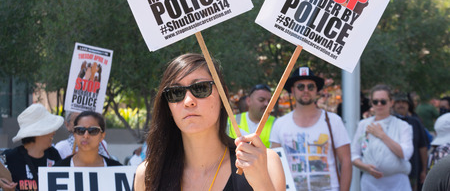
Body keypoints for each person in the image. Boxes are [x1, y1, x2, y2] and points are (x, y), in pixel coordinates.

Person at [134, 53, 285, 191]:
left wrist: (262, 183)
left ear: (222, 96)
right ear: (168, 106)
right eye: (176, 92)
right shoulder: (148, 175)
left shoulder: (265, 163)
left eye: (200, 88)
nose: (188, 101)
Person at [270, 66, 352, 191]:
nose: (306, 90)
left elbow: (346, 161)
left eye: (311, 86)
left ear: (316, 90)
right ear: (292, 90)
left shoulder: (333, 121)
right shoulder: (280, 124)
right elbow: (274, 164)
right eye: (301, 86)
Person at [352, 85, 413, 191]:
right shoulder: (363, 124)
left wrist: (382, 135)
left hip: (397, 184)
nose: (379, 104)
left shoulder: (403, 126)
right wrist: (365, 167)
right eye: (375, 101)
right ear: (371, 103)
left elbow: (406, 153)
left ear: (391, 102)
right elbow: (353, 155)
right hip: (370, 183)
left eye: (383, 101)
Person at [1, 103, 63, 191]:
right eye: (49, 128)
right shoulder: (10, 157)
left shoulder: (53, 154)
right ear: (38, 133)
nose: (54, 132)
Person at [54, 111, 121, 167]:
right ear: (74, 134)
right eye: (80, 130)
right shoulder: (58, 169)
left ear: (102, 136)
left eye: (93, 130)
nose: (86, 136)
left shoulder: (118, 170)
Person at [392, 92, 428, 191]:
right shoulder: (389, 122)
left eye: (404, 102)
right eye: (398, 102)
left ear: (408, 105)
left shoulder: (415, 122)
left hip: (413, 171)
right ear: (393, 105)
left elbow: (423, 147)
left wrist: (424, 170)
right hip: (392, 172)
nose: (401, 105)